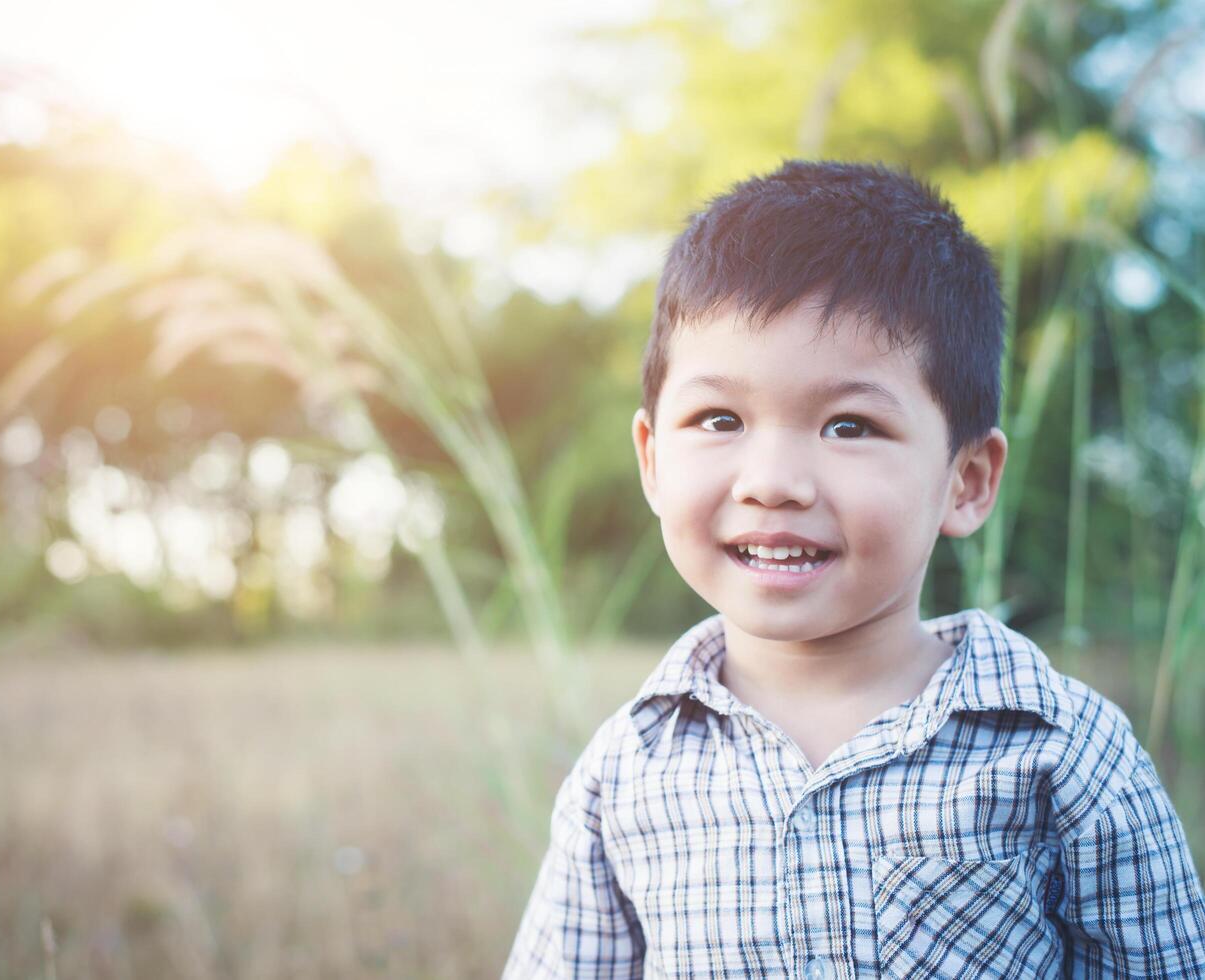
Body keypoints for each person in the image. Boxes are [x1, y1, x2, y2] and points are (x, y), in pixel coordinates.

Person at [503, 160, 1205, 978]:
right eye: (718, 418)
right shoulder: (626, 771)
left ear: (966, 480)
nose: (771, 481)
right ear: (652, 461)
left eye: (848, 426)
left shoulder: (1061, 752)